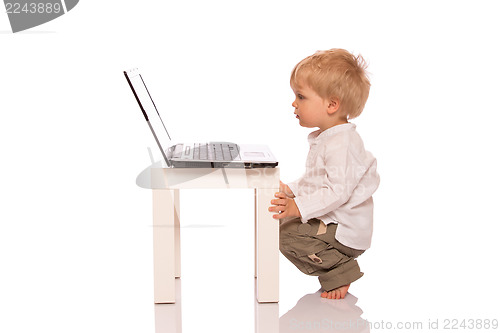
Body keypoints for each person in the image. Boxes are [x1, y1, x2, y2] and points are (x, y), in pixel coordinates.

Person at [269, 48, 380, 299]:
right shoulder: (328, 138)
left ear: (331, 104)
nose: (294, 103)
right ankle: (335, 264)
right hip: (333, 221)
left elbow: (337, 191)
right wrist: (292, 190)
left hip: (344, 230)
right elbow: (316, 180)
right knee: (280, 222)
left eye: (301, 96)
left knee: (287, 237)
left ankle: (340, 270)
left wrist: (298, 207)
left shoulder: (343, 144)